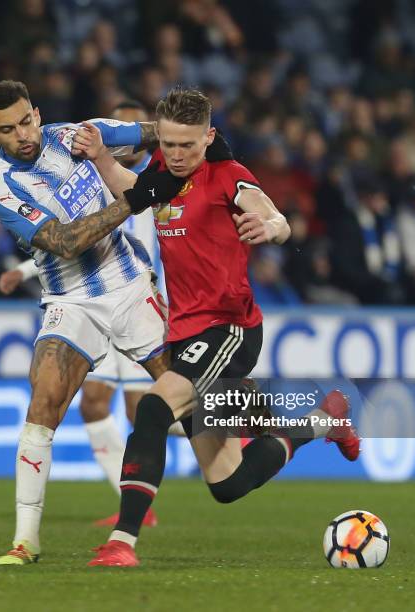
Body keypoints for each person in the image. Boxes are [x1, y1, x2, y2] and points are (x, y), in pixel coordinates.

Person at [71, 87, 360, 567]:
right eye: (169, 144)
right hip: (184, 335)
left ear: (209, 138)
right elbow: (133, 188)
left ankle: (122, 543)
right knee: (228, 484)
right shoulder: (161, 173)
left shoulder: (230, 177)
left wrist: (273, 228)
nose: (178, 155)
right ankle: (324, 421)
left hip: (230, 331)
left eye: (188, 144)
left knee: (152, 410)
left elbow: (269, 211)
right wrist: (101, 157)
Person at [0, 79, 186, 566]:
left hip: (132, 288)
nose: (23, 134)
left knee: (196, 406)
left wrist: (194, 143)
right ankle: (25, 541)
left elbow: (156, 133)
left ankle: (299, 427)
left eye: (27, 120)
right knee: (44, 402)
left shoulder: (79, 135)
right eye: (8, 130)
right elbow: (66, 242)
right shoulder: (1, 189)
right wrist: (135, 198)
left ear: (37, 112)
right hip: (70, 301)